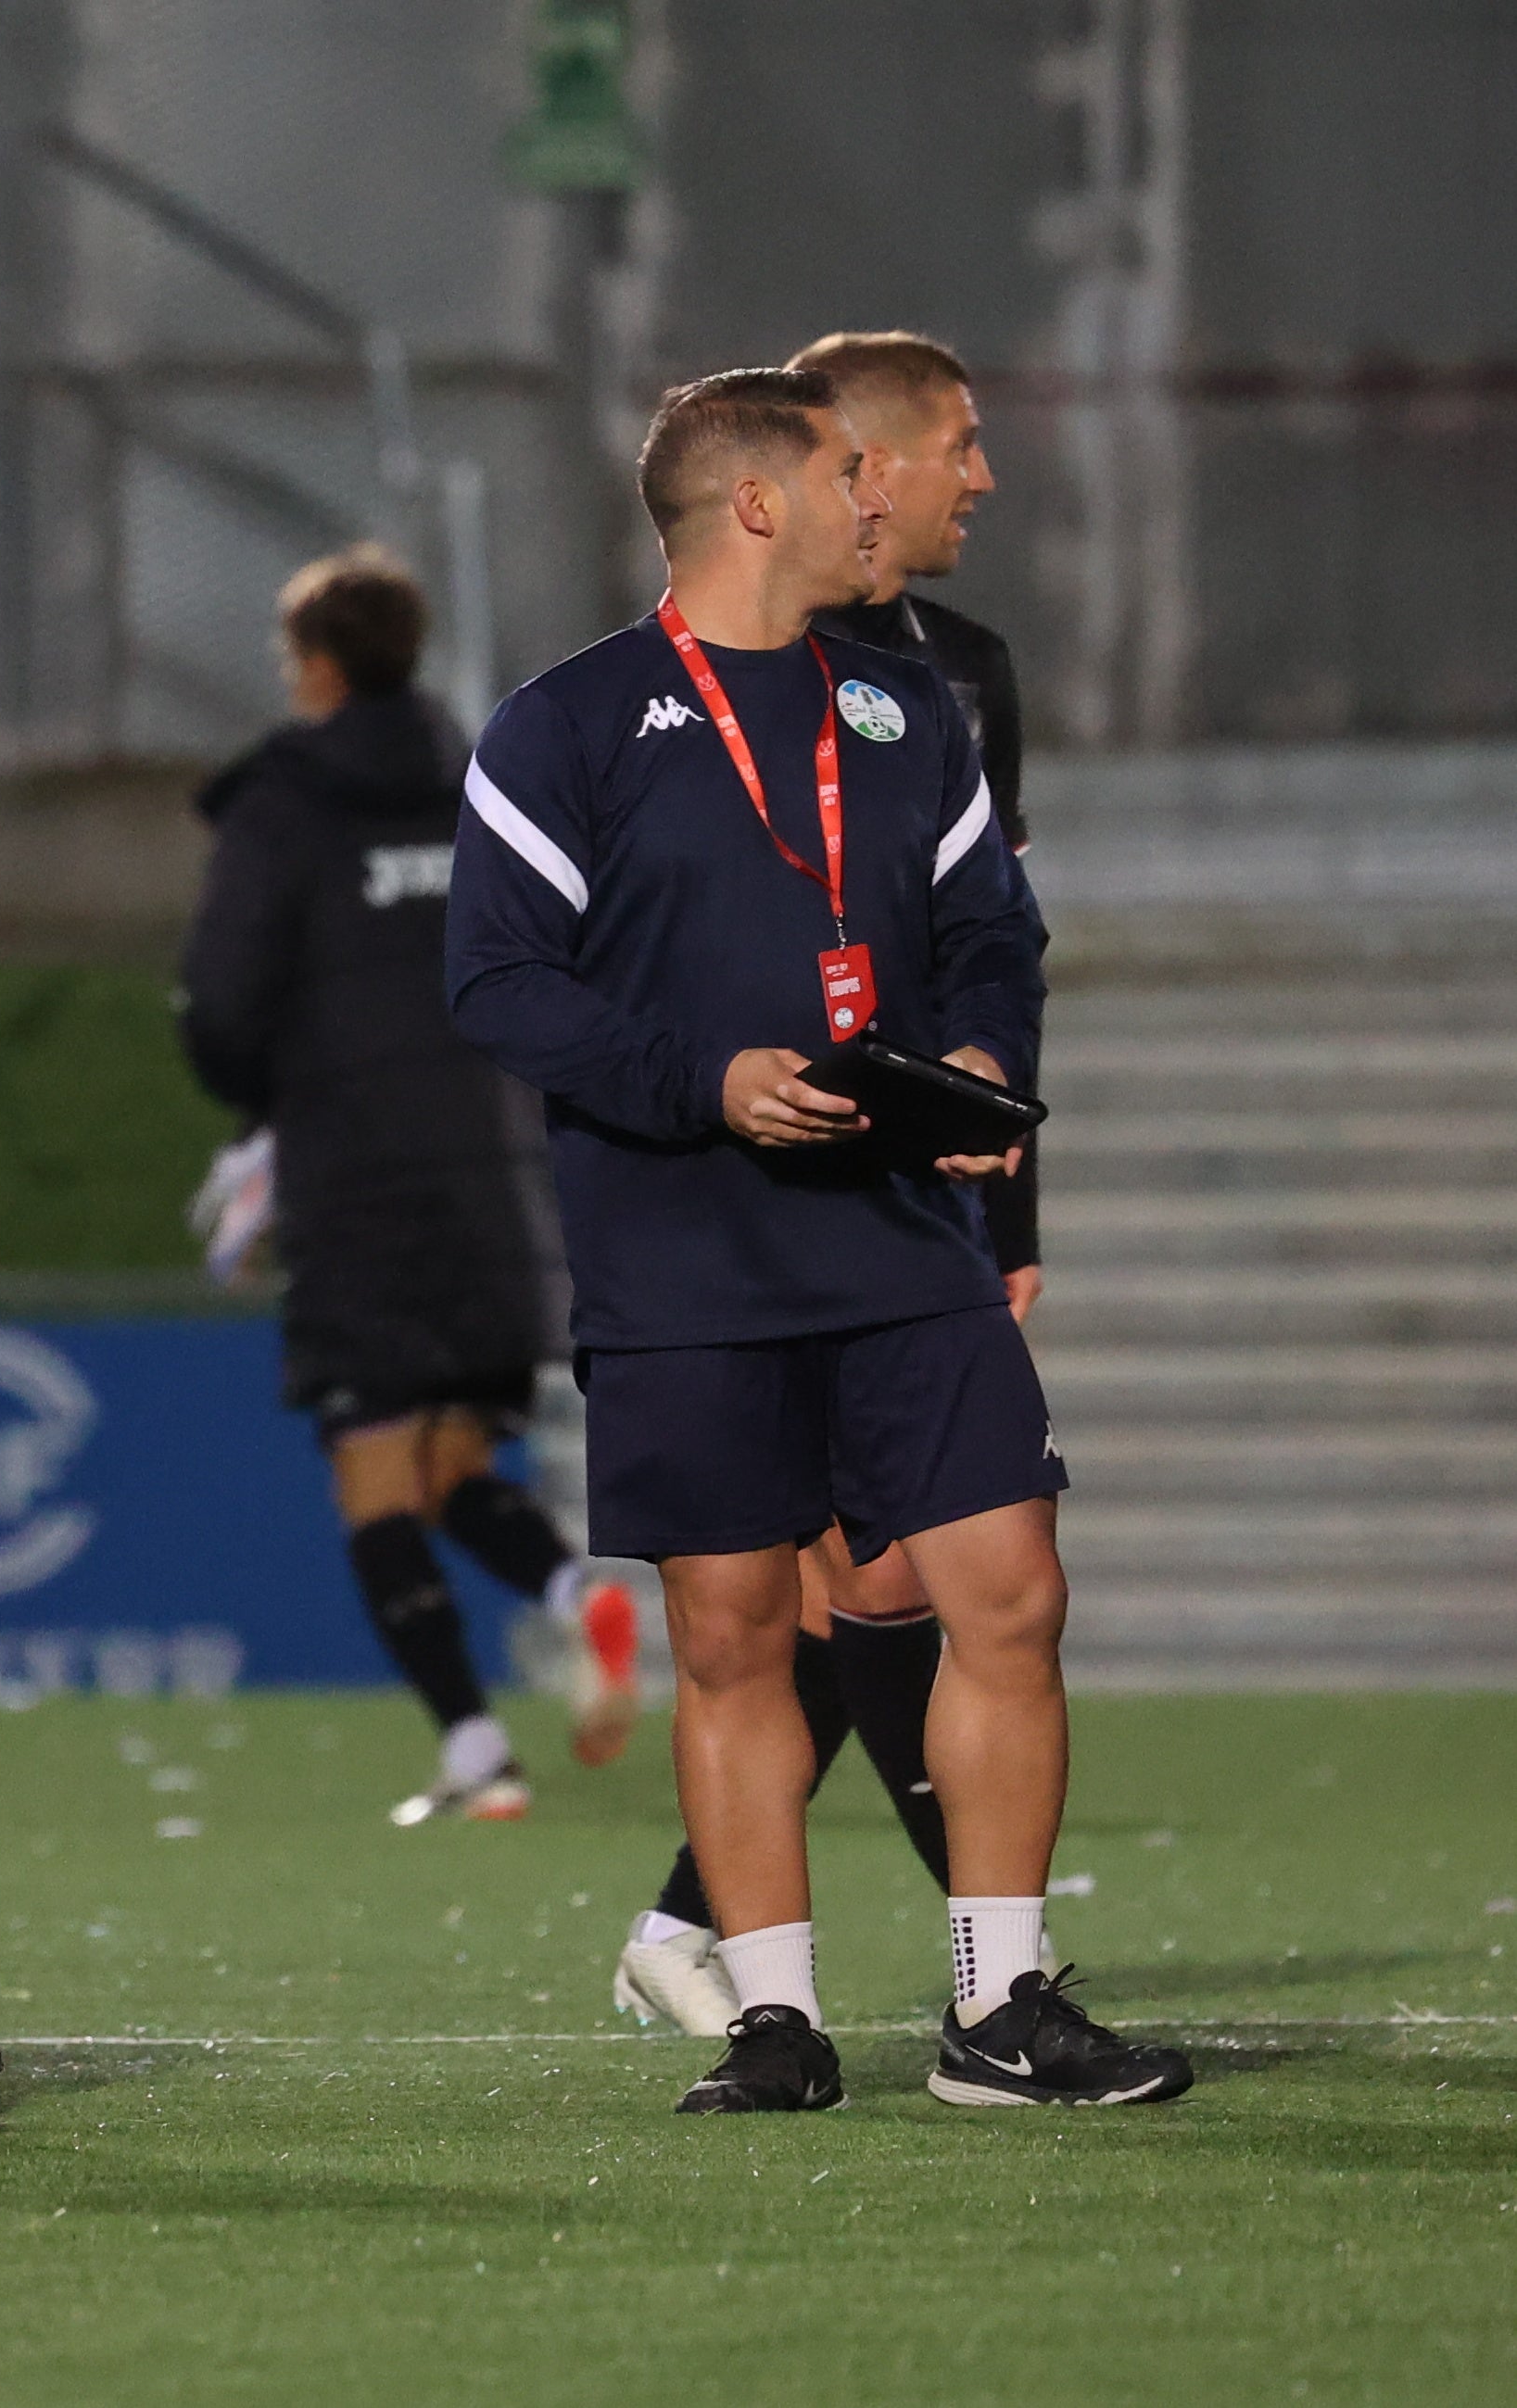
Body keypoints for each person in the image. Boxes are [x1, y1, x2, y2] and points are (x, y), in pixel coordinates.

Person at [447, 366, 1187, 2113]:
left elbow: (993, 928)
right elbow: (493, 984)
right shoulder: (561, 724)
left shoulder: (905, 701)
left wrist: (991, 1054)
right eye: (851, 472)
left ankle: (998, 2007)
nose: (888, 497)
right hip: (680, 1249)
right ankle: (774, 2016)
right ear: (754, 504)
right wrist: (705, 1080)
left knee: (1008, 1587)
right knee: (727, 1635)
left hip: (900, 1231)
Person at [611, 330, 1021, 2034]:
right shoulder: (689, 677)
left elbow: (993, 931)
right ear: (843, 468)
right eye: (949, 448)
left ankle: (938, 1966)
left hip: (903, 1201)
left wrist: (1005, 1208)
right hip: (723, 1205)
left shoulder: (955, 674)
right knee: (826, 1586)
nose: (970, 480)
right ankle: (953, 1973)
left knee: (893, 1579)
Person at [175, 547, 641, 1825]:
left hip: (358, 1177)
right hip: (498, 1176)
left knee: (375, 1480)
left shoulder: (284, 802)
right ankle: (568, 1594)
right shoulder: (490, 781)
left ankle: (480, 1753)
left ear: (315, 665)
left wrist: (259, 1103)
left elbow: (221, 1000)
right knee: (448, 1470)